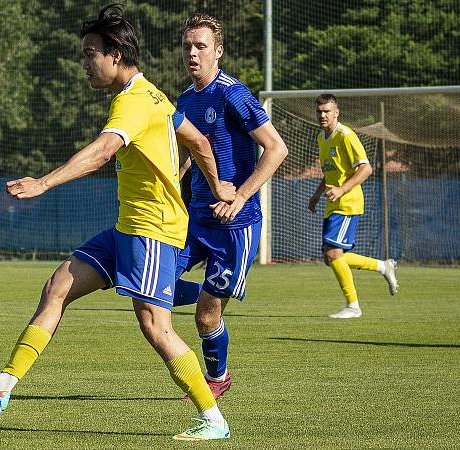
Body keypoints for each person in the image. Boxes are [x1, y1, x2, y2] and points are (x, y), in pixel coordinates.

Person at [0, 4, 236, 441]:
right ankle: (4, 385)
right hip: (129, 227)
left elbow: (103, 151)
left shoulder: (134, 103)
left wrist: (44, 183)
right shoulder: (155, 96)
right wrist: (216, 186)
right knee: (57, 287)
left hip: (152, 230)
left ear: (116, 54)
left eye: (90, 54)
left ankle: (213, 419)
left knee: (154, 325)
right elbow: (196, 140)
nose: (85, 63)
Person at [170, 14, 288, 400]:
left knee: (206, 315)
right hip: (197, 218)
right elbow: (190, 153)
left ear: (218, 51)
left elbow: (276, 149)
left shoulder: (233, 94)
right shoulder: (185, 99)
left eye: (201, 46)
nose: (192, 53)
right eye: (188, 45)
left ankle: (217, 377)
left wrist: (239, 198)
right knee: (152, 283)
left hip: (235, 226)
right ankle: (212, 290)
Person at [309, 94, 398, 319]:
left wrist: (341, 190)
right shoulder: (322, 137)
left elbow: (366, 169)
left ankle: (353, 306)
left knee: (333, 253)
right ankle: (382, 266)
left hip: (348, 203)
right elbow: (330, 172)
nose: (323, 115)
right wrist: (317, 195)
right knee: (333, 256)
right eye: (320, 111)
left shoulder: (346, 135)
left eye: (327, 111)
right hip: (333, 203)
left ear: (337, 112)